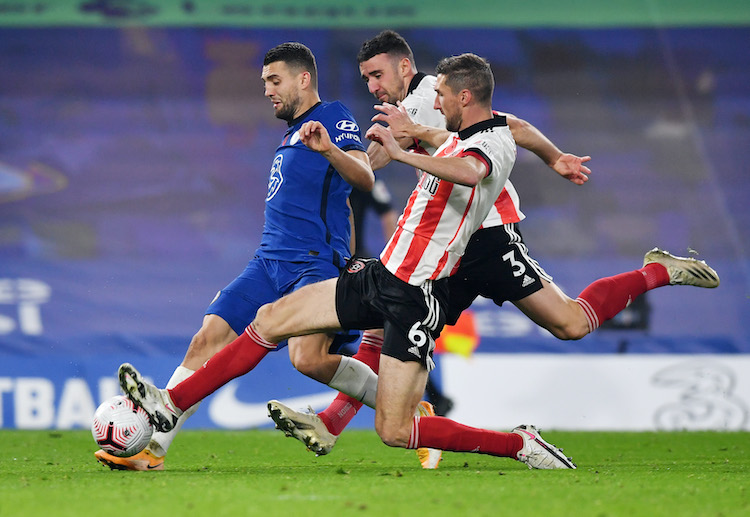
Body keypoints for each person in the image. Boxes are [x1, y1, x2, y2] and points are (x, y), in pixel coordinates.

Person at [120, 53, 718, 470]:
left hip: (435, 282)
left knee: (397, 429)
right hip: (382, 274)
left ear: (458, 97)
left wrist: (404, 151)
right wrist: (377, 149)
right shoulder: (446, 127)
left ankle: (517, 443)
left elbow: (468, 167)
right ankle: (172, 405)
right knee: (274, 318)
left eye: (436, 98)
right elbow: (436, 149)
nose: (419, 102)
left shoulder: (491, 144)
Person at [267, 29, 591, 466]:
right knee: (383, 328)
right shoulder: (418, 106)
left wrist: (354, 162)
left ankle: (377, 417)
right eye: (365, 79)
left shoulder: (429, 98)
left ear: (405, 66)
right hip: (454, 239)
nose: (372, 87)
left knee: (567, 322)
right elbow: (511, 127)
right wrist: (554, 158)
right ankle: (345, 421)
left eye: (377, 75)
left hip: (483, 236)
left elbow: (500, 132)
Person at [94, 42, 375, 470]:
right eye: (264, 82)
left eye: (274, 80)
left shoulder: (332, 117)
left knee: (308, 358)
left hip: (314, 262)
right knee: (205, 339)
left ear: (303, 79)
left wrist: (330, 151)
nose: (266, 90)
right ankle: (152, 452)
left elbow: (365, 178)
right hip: (267, 261)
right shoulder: (292, 133)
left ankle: (408, 409)